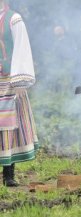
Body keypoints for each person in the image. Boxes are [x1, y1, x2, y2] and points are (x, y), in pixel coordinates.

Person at [0, 0, 38, 186]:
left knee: (8, 124)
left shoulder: (13, 19)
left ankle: (8, 174)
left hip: (8, 80)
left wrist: (20, 80)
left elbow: (22, 49)